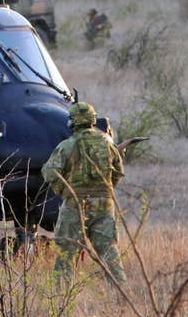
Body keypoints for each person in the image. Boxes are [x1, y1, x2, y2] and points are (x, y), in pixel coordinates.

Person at [41, 101, 125, 283]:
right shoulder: (108, 143)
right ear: (93, 120)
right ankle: (120, 291)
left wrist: (63, 191)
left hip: (74, 206)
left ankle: (60, 297)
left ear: (73, 122)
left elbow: (49, 172)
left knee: (66, 255)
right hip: (104, 206)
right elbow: (118, 172)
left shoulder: (67, 146)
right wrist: (105, 191)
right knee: (109, 252)